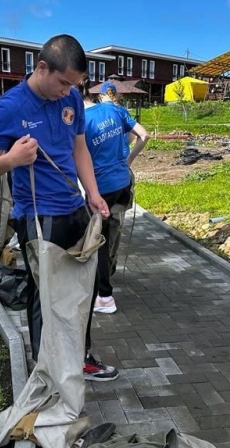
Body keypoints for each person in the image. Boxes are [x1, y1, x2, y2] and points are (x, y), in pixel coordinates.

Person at [0, 34, 119, 382]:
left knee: (82, 290)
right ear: (42, 67)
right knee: (46, 297)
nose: (68, 91)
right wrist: (11, 158)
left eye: (74, 84)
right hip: (39, 217)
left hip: (75, 209)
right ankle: (46, 370)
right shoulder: (10, 107)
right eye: (64, 82)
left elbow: (79, 149)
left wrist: (93, 193)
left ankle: (81, 356)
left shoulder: (70, 98)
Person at [79, 79, 149, 314]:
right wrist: (127, 160)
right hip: (123, 183)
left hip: (102, 188)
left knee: (96, 238)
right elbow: (142, 136)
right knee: (112, 231)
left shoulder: (81, 121)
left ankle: (105, 296)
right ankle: (107, 274)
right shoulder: (115, 109)